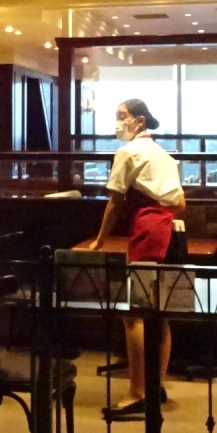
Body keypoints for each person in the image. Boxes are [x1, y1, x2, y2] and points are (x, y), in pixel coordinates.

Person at [87, 98, 186, 416]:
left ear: (139, 120)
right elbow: (181, 203)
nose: (118, 122)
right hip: (172, 233)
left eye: (122, 116)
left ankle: (137, 391)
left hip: (148, 233)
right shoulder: (163, 155)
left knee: (134, 314)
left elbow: (115, 201)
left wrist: (100, 239)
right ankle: (156, 385)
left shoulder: (128, 152)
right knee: (161, 313)